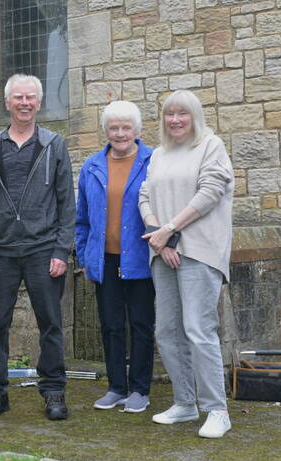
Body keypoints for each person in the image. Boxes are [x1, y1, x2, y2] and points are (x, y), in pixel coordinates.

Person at [0, 74, 75, 420]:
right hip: (0, 252)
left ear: (39, 103)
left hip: (44, 249)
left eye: (30, 97)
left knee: (50, 324)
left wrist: (62, 251)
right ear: (8, 102)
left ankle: (54, 391)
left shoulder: (53, 145)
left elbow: (66, 203)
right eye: (18, 97)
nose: (25, 103)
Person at [139, 90, 235, 438]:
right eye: (169, 114)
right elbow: (145, 196)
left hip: (199, 251)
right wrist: (159, 237)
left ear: (195, 116)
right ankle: (185, 403)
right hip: (163, 250)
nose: (175, 120)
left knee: (198, 329)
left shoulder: (210, 146)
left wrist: (169, 230)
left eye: (182, 114)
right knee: (166, 332)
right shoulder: (160, 154)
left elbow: (209, 193)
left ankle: (217, 410)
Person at [75, 101, 156, 413]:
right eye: (114, 127)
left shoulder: (153, 161)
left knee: (140, 325)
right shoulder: (92, 166)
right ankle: (116, 387)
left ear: (136, 130)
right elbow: (82, 219)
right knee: (110, 325)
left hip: (140, 258)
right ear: (106, 131)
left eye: (126, 127)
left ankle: (139, 389)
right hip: (103, 260)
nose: (120, 133)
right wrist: (84, 257)